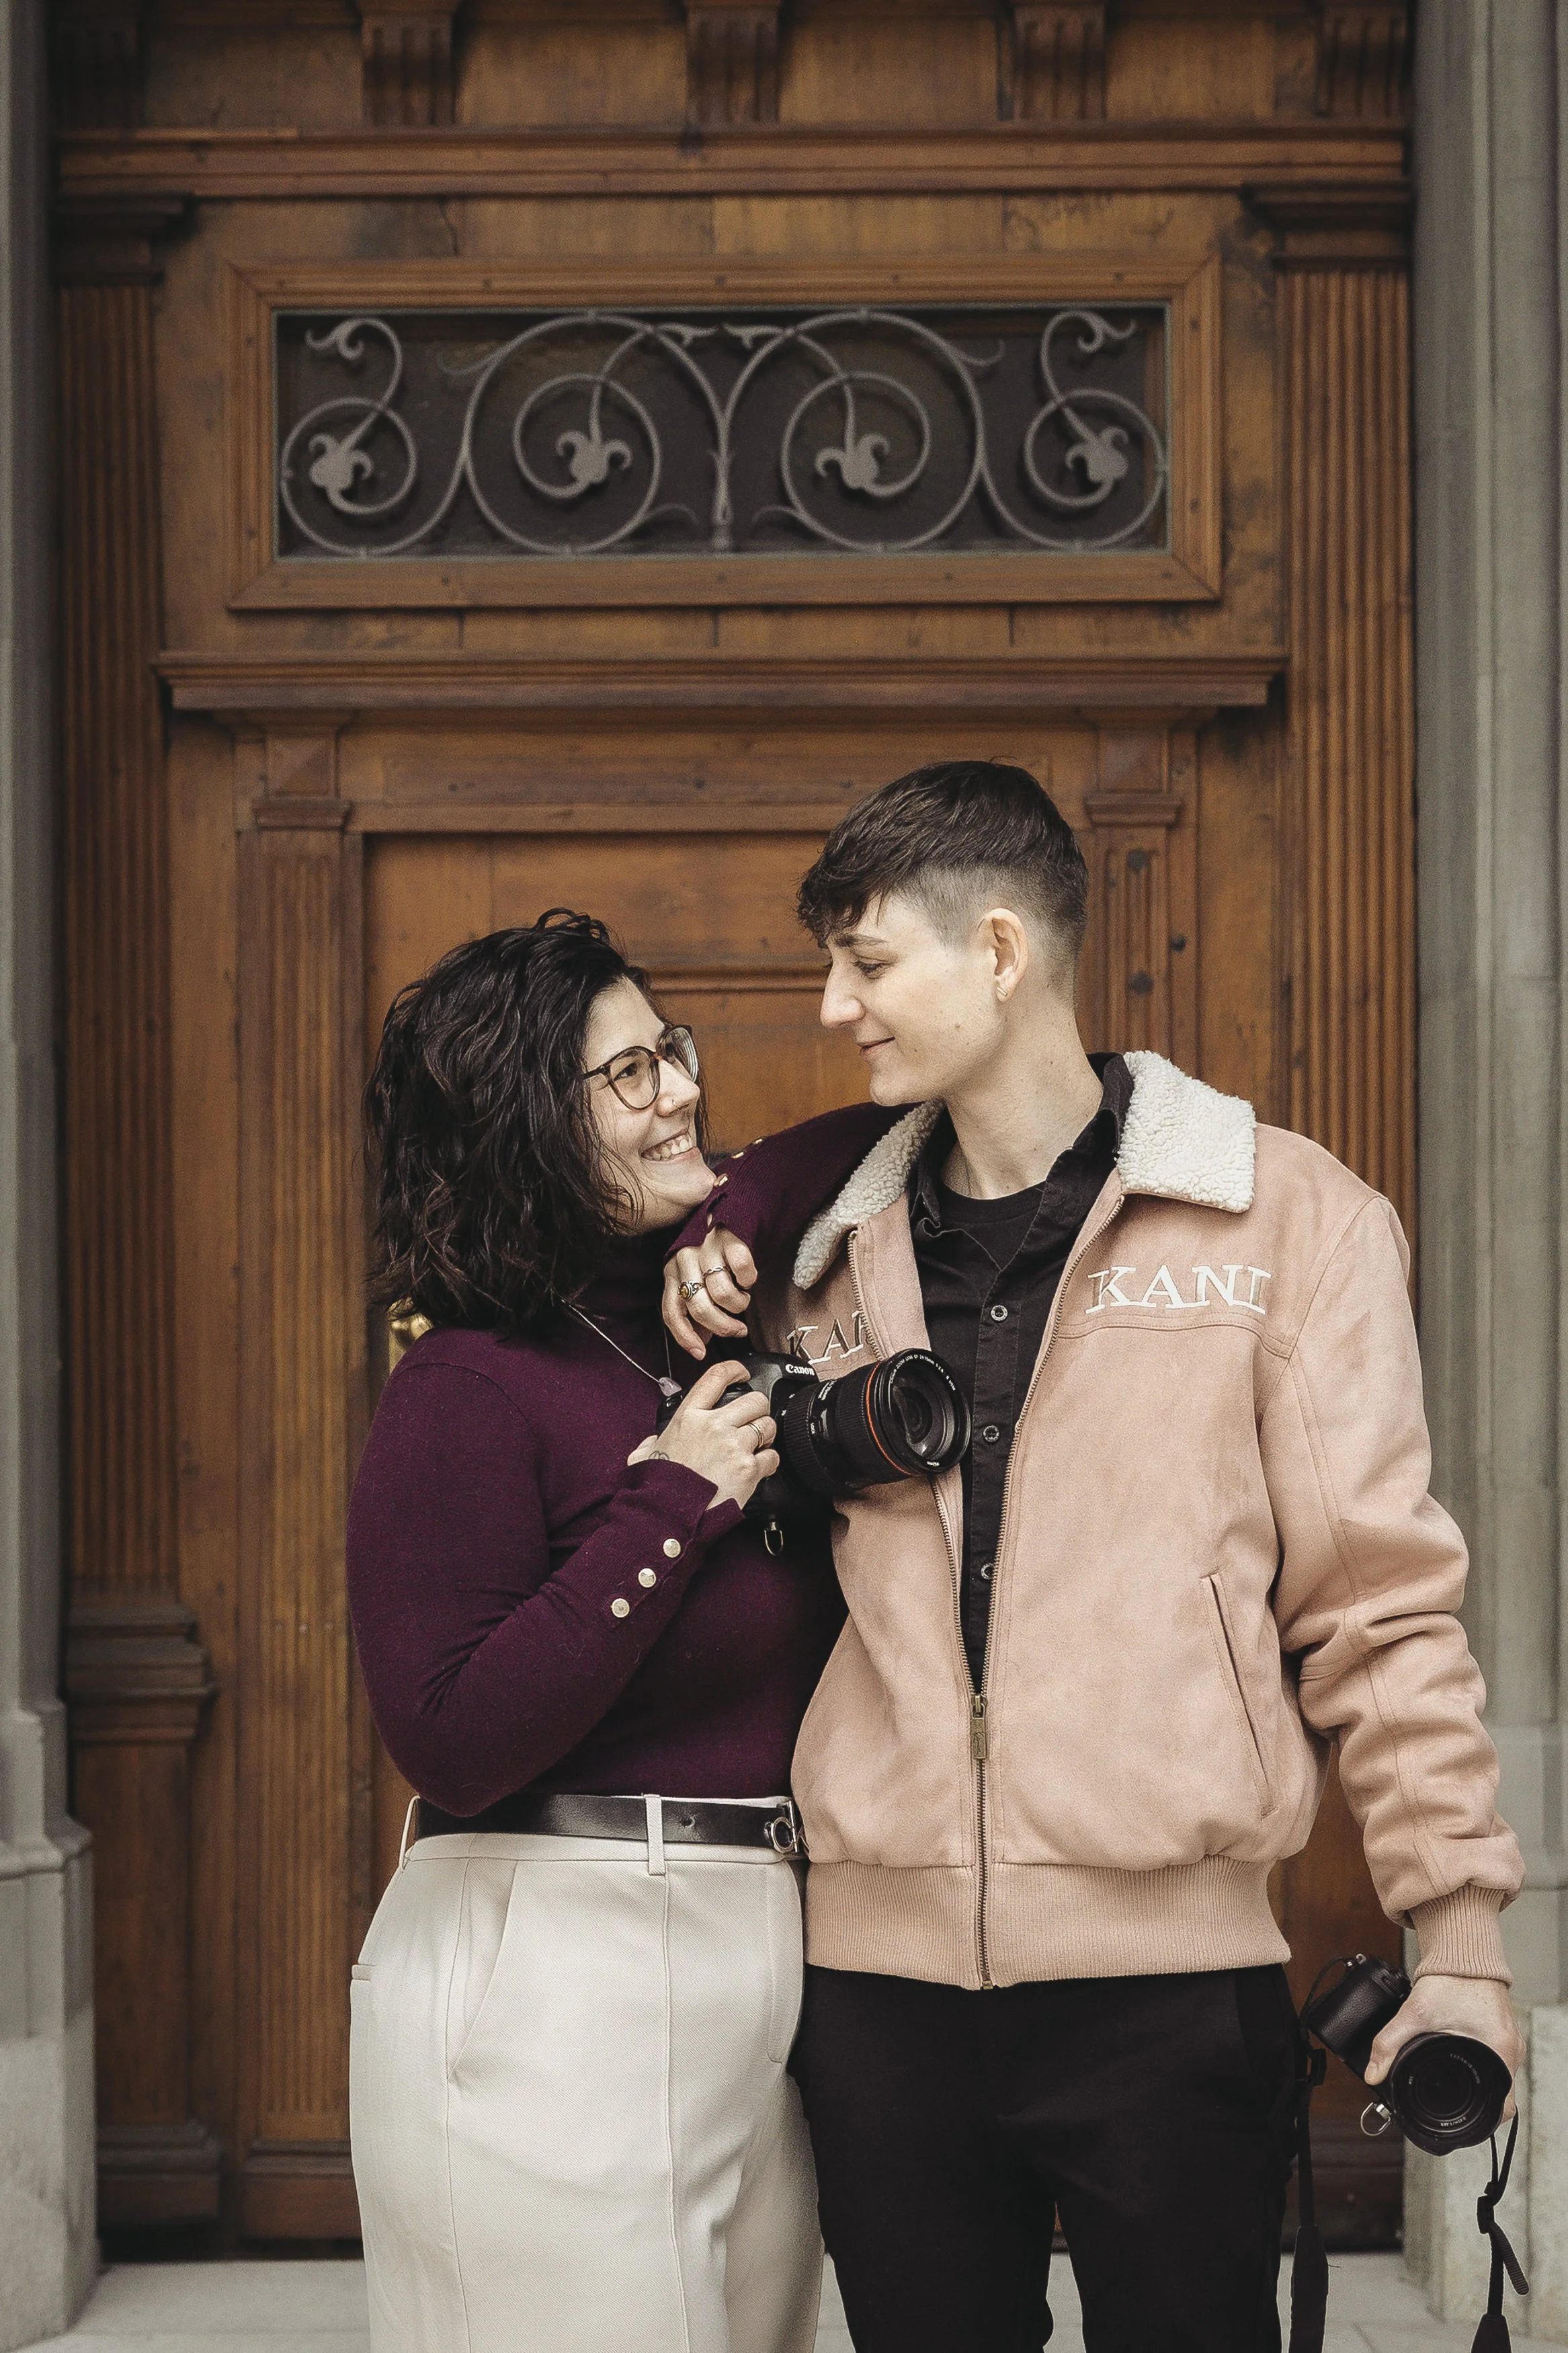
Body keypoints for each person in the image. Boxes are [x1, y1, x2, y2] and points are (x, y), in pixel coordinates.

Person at [662, 762, 1527, 2353]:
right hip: (876, 1993)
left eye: (867, 962)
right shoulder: (810, 1255)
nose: (832, 1004)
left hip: (1168, 1993)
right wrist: (696, 1266)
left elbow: (1378, 1609)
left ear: (997, 953)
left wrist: (1458, 1940)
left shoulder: (1289, 1223)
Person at [344, 910, 886, 2353]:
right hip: (553, 1973)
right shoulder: (461, 1387)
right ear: (527, 1126)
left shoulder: (683, 1323)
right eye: (628, 1076)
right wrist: (666, 1508)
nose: (681, 1093)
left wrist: (736, 1217)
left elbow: (885, 1125)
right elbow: (449, 1741)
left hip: (758, 1968)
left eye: (671, 1051)